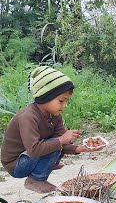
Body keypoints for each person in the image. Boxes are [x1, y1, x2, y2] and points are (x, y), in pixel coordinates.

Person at [0, 66, 103, 194]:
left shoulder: (54, 116)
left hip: (31, 156)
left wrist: (80, 149)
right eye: (61, 101)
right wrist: (61, 139)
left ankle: (44, 165)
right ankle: (36, 179)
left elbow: (62, 142)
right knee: (56, 144)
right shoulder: (28, 117)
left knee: (56, 144)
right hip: (16, 165)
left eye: (66, 101)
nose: (64, 105)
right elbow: (34, 149)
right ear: (45, 96)